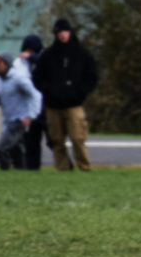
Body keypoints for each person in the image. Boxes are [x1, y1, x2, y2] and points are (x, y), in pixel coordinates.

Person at [33, 18, 98, 172]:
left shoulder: (81, 54)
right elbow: (37, 77)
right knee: (57, 139)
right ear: (56, 34)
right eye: (60, 32)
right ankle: (62, 168)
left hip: (74, 104)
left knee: (78, 138)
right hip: (53, 105)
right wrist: (48, 89)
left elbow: (92, 76)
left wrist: (80, 92)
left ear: (70, 32)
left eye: (66, 31)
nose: (63, 35)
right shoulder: (48, 55)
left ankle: (84, 167)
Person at [0, 51, 41, 170]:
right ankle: (21, 176)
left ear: (6, 64)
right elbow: (1, 100)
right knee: (16, 152)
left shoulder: (19, 78)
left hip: (19, 120)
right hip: (7, 122)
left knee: (1, 150)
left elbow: (36, 96)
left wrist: (31, 116)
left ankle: (5, 175)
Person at [14, 34, 49, 170]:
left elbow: (45, 62)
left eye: (34, 50)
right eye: (28, 50)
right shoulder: (19, 64)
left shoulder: (44, 59)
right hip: (29, 108)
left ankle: (64, 166)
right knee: (31, 142)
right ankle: (32, 169)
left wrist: (31, 57)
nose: (31, 53)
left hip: (46, 106)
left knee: (53, 140)